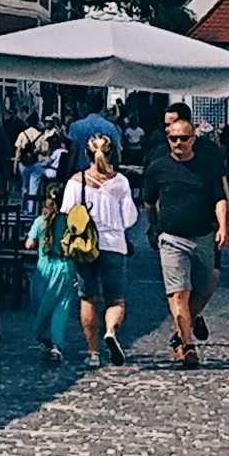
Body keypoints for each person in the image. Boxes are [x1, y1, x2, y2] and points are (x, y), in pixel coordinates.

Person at [143, 109, 229, 367]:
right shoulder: (158, 167)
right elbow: (149, 203)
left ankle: (184, 327)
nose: (179, 144)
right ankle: (188, 344)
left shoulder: (206, 165)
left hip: (204, 235)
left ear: (193, 138)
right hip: (171, 237)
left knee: (209, 283)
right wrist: (154, 227)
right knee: (179, 293)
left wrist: (223, 225)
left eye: (184, 138)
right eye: (174, 139)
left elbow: (219, 196)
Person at [60, 133, 137, 366]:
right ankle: (111, 332)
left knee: (88, 298)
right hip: (114, 244)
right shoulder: (121, 182)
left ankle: (93, 353)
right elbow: (129, 218)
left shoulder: (76, 182)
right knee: (116, 299)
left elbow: (66, 214)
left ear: (87, 154)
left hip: (85, 247)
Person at [23, 177, 78, 364]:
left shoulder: (40, 221)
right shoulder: (69, 221)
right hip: (64, 266)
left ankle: (44, 337)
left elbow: (29, 244)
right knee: (60, 306)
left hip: (43, 267)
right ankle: (56, 343)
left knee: (42, 305)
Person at [65, 97, 122, 173]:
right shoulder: (110, 127)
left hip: (81, 174)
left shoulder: (76, 126)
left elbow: (73, 152)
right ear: (102, 107)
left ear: (86, 106)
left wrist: (68, 174)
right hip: (103, 175)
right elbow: (117, 155)